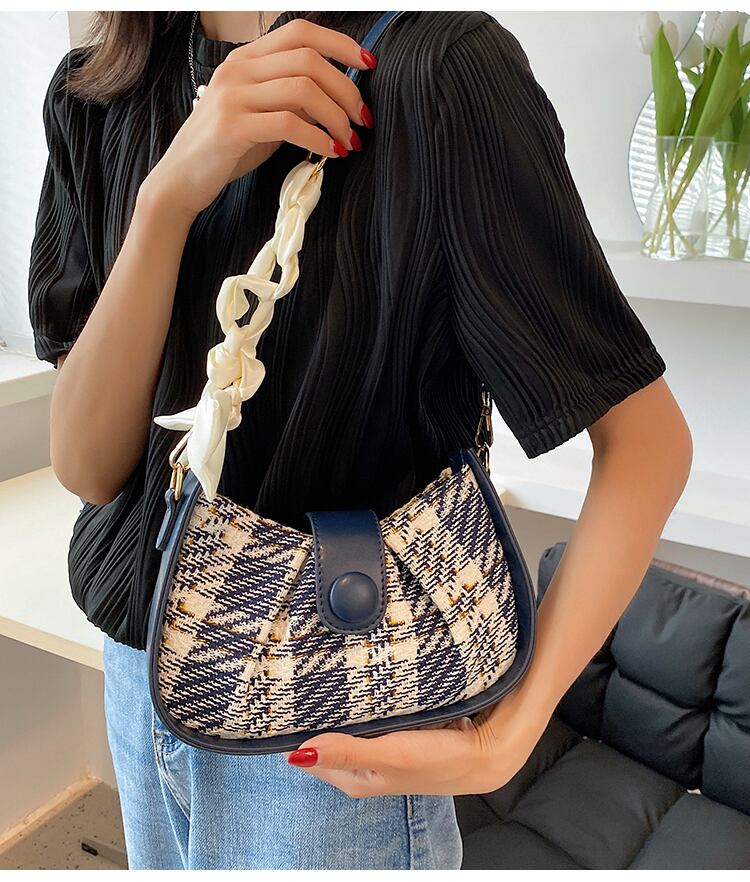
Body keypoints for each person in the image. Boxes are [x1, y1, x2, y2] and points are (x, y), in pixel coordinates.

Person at [27, 9, 692, 871]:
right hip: (138, 676)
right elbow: (89, 468)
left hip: (333, 725)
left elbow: (646, 443)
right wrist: (167, 198)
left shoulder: (435, 72)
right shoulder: (96, 94)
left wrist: (509, 736)